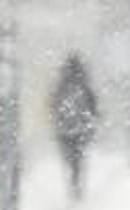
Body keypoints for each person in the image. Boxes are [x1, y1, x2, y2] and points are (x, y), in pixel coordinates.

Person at [50, 54, 99, 201]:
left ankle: (74, 180)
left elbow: (54, 104)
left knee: (70, 157)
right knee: (78, 157)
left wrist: (57, 121)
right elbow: (93, 105)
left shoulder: (62, 84)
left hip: (64, 129)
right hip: (81, 128)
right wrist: (92, 121)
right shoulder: (83, 83)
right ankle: (76, 181)